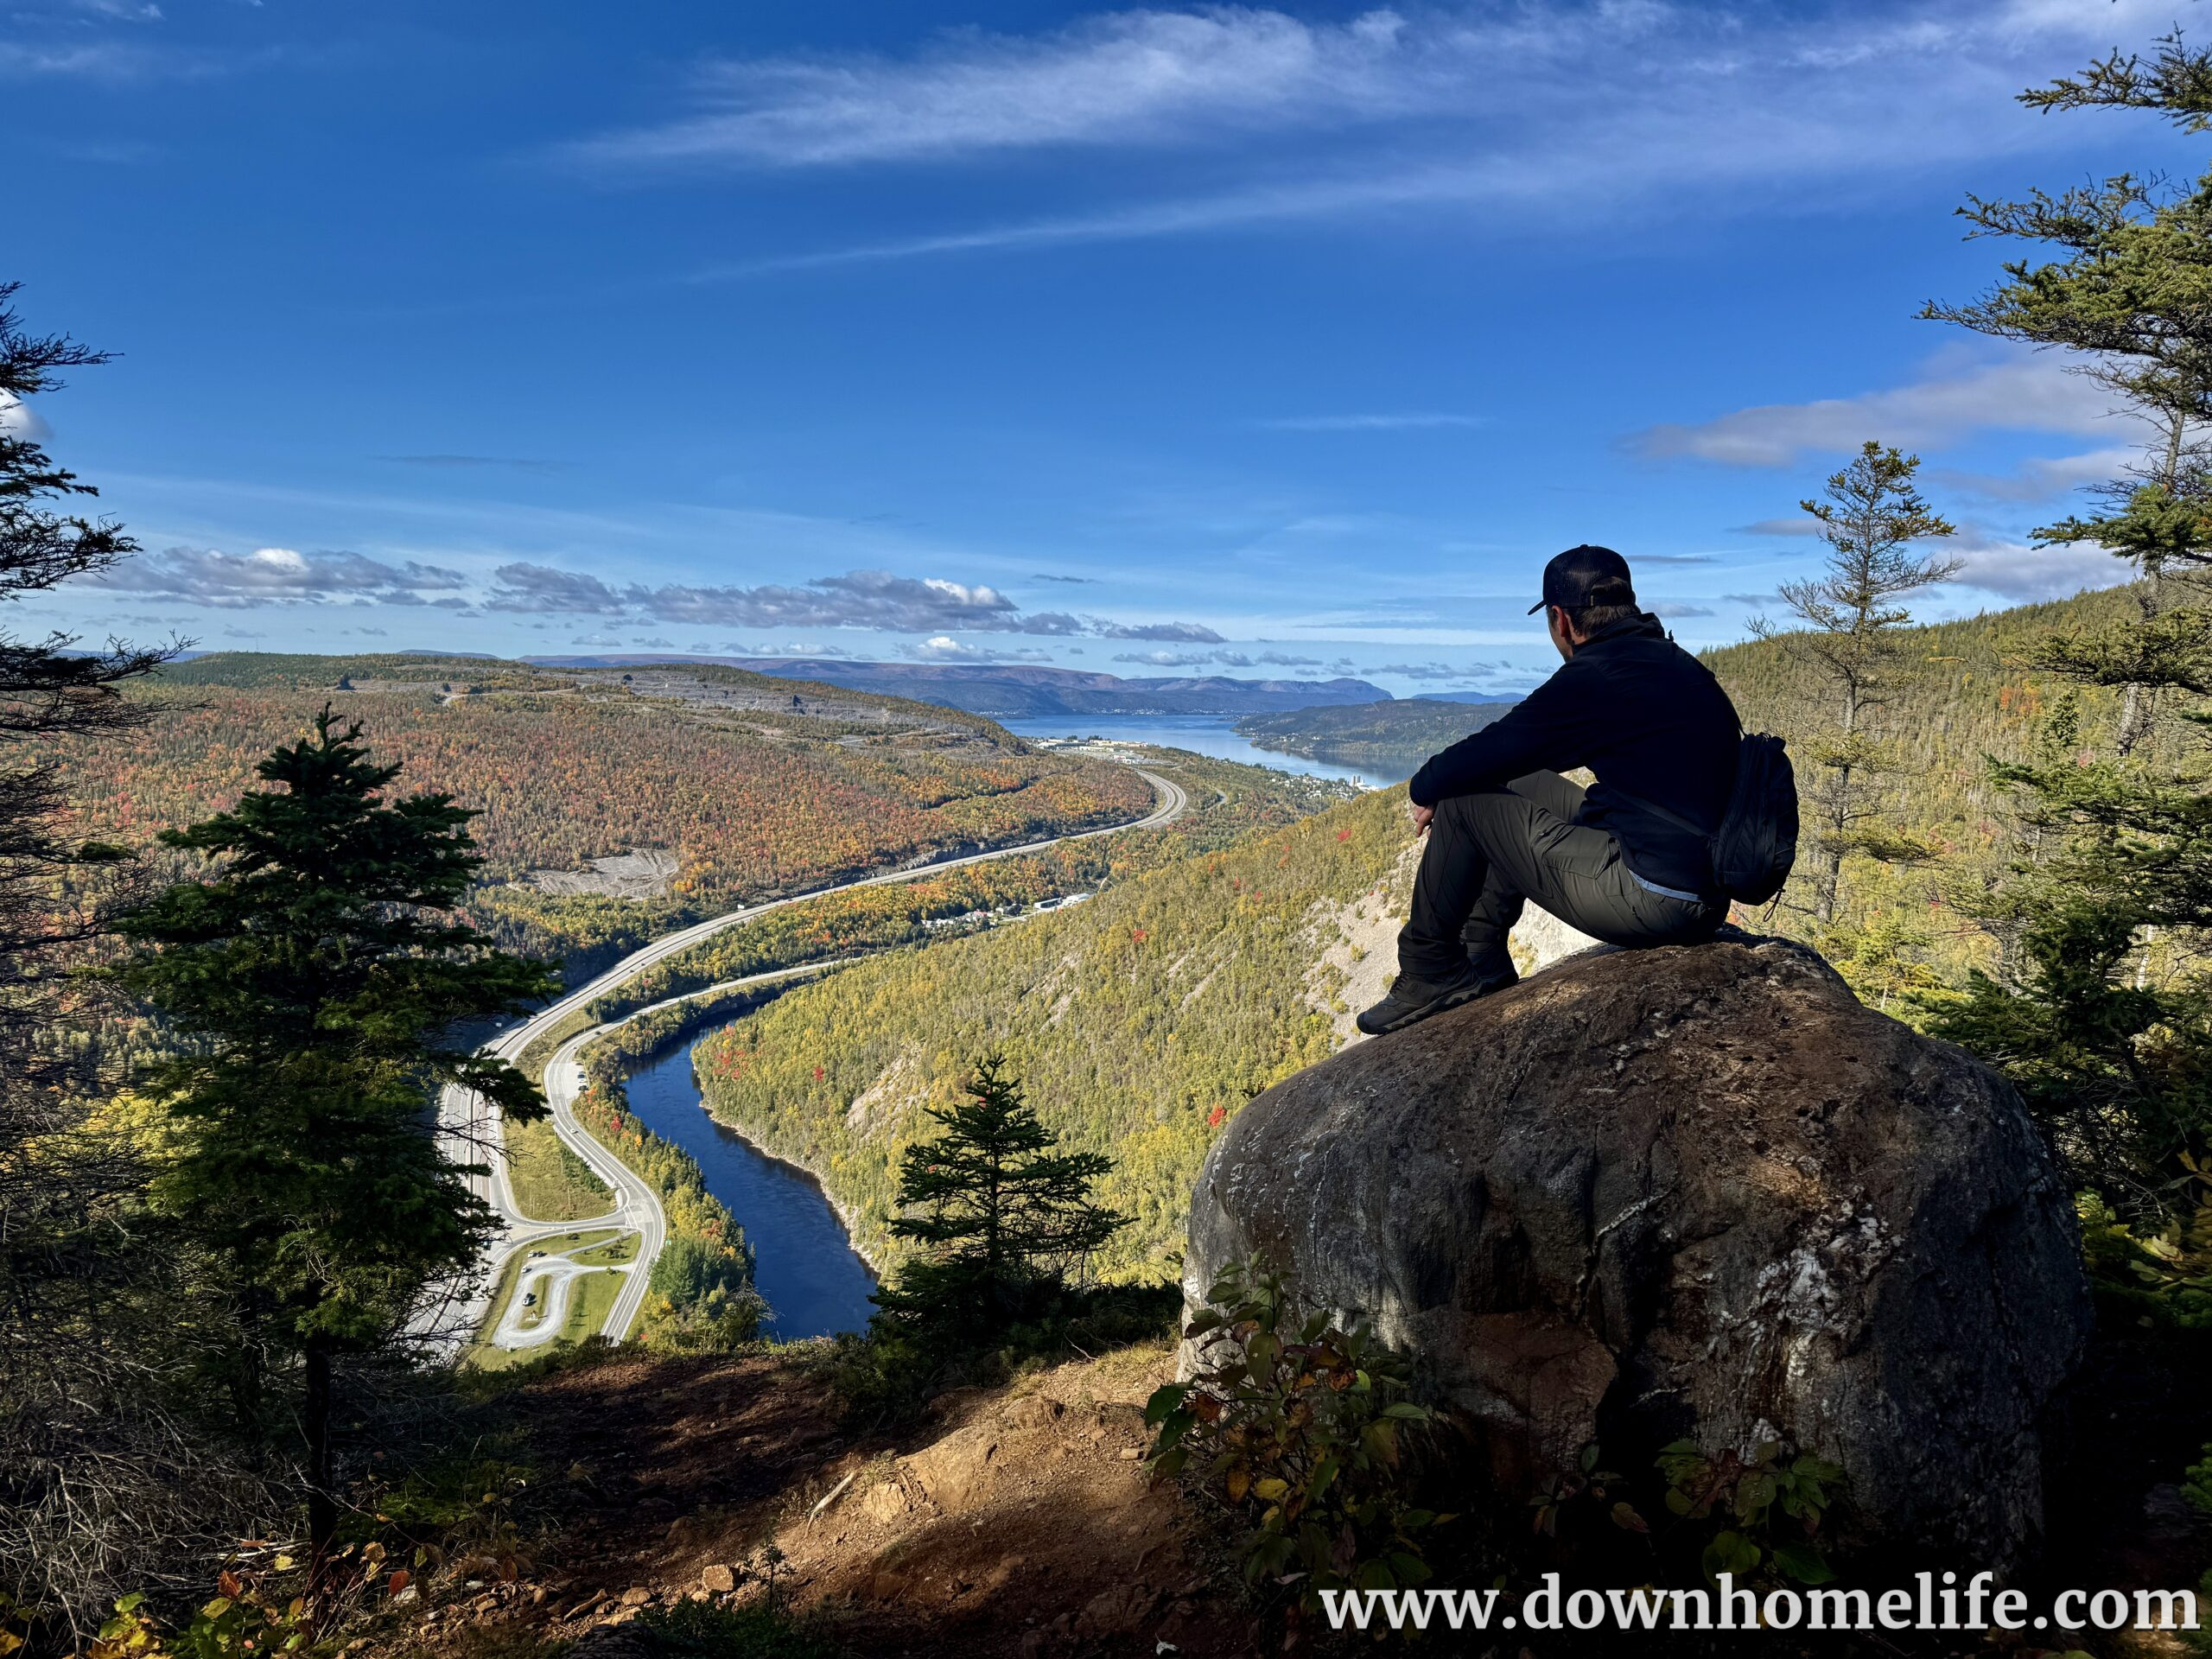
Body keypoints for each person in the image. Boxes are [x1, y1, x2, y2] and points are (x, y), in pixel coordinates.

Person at [1357, 544, 1741, 1036]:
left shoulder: (1598, 676)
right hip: (1694, 873)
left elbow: (1492, 748)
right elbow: (1513, 758)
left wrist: (1424, 785)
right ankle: (1481, 954)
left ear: (1560, 619)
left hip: (1658, 896)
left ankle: (1429, 971)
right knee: (1513, 780)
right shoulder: (1672, 661)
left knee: (1462, 795)